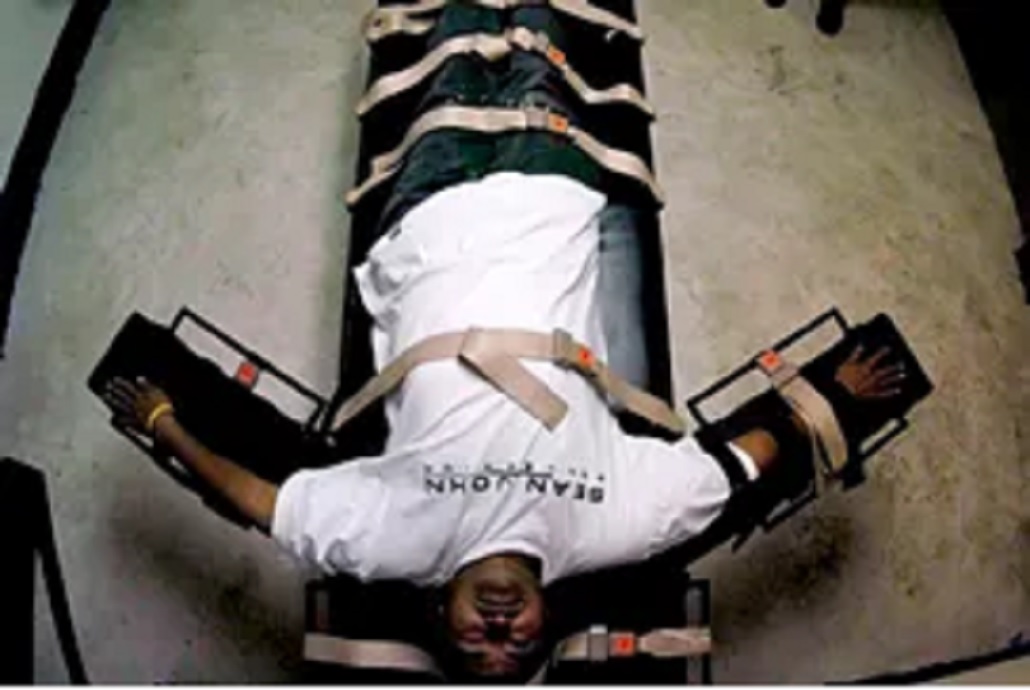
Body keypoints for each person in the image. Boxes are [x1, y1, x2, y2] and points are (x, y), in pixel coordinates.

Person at [102, 2, 906, 682]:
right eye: (518, 649)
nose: (496, 631)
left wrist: (165, 423)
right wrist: (827, 400)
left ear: (439, 615)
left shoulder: (393, 541)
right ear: (547, 620)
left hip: (426, 219)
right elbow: (739, 466)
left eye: (474, 648)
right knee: (537, 36)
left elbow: (261, 500)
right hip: (551, 195)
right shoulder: (612, 528)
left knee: (454, 36)